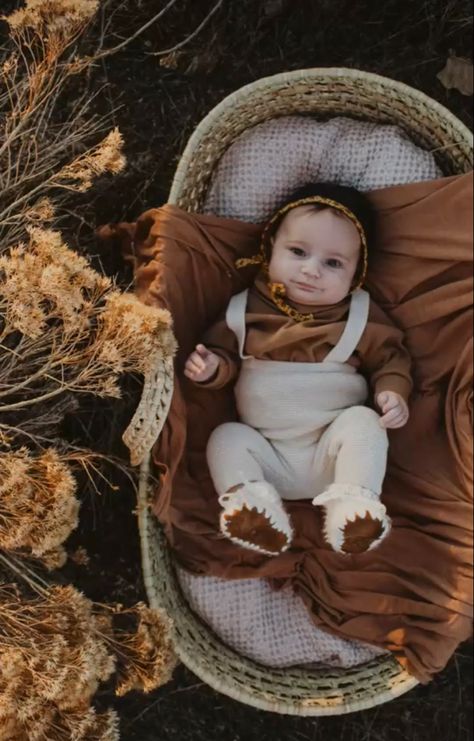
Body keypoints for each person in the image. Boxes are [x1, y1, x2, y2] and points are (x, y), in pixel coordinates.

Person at [184, 183, 412, 557]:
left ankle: (352, 508)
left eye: (333, 263)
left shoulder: (358, 315)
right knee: (225, 438)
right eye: (298, 252)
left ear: (357, 275)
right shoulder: (242, 311)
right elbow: (224, 359)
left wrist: (393, 391)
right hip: (268, 455)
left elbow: (392, 357)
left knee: (364, 423)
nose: (311, 271)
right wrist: (210, 368)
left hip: (334, 455)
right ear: (270, 247)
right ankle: (253, 507)